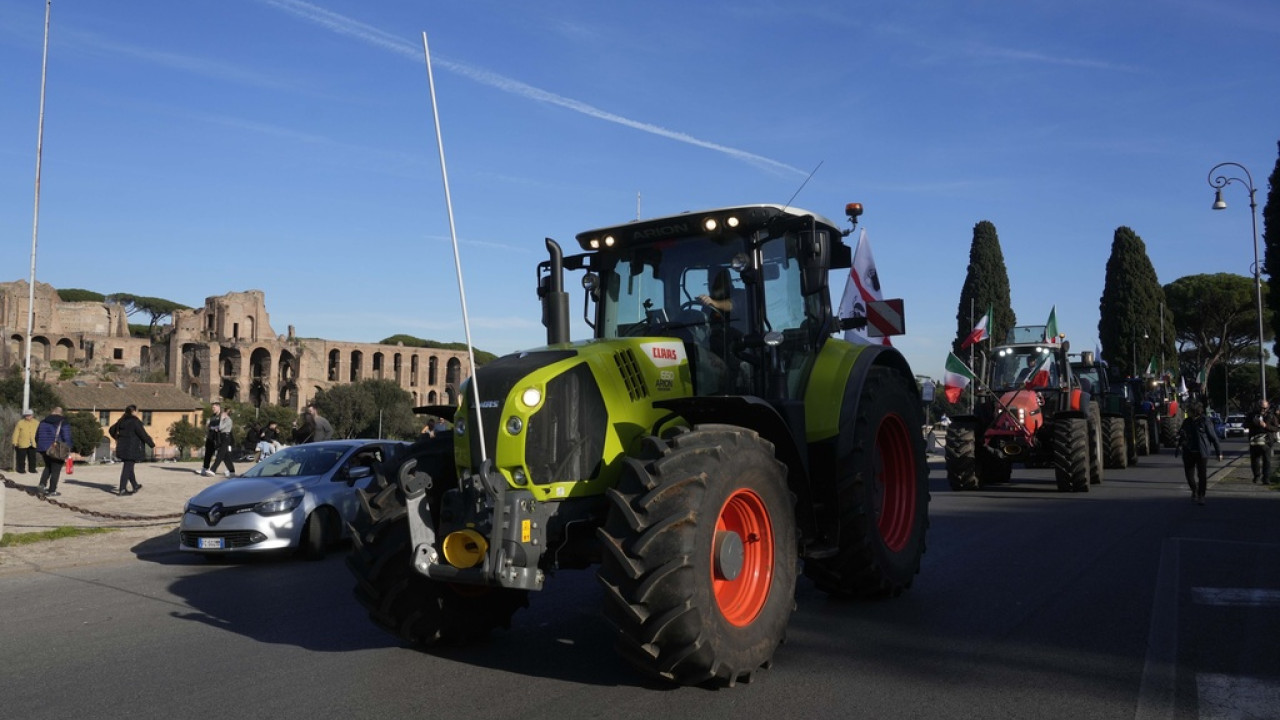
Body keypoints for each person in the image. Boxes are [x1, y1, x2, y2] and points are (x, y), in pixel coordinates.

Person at [1178, 400, 1223, 505]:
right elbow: (1181, 433)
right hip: (1188, 451)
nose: (1187, 411)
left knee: (1202, 474)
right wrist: (1181, 439)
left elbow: (1213, 437)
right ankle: (1194, 490)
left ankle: (1201, 495)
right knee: (1189, 475)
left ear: (1195, 411)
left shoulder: (1205, 421)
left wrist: (1218, 452)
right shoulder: (1187, 421)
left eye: (1189, 410)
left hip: (1201, 452)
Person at [109, 404, 154, 496]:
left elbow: (111, 430)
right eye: (137, 411)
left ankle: (135, 485)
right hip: (131, 448)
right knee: (127, 468)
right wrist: (151, 444)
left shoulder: (121, 421)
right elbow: (143, 434)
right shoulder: (135, 422)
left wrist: (117, 437)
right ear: (133, 411)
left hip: (122, 447)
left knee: (129, 467)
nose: (138, 413)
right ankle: (122, 489)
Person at [34, 406, 72, 497]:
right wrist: (69, 448)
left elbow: (37, 435)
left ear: (52, 412)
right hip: (57, 449)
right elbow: (66, 437)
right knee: (56, 470)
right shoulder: (63, 422)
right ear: (61, 413)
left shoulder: (42, 422)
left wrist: (41, 445)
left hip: (43, 448)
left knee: (47, 467)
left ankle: (42, 485)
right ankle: (52, 490)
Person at [1247, 399, 1272, 484]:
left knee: (1267, 460)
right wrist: (1254, 423)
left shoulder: (1271, 415)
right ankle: (1257, 476)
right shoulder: (1252, 415)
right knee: (1255, 460)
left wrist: (1265, 426)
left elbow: (1275, 428)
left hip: (1267, 441)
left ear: (1268, 407)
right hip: (1254, 440)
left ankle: (1266, 478)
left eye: (1265, 408)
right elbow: (1245, 425)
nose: (1263, 410)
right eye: (1261, 408)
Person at [207, 407, 236, 477]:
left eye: (223, 412)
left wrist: (221, 420)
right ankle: (232, 471)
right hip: (222, 437)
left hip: (226, 438)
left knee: (220, 454)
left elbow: (220, 427)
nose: (222, 414)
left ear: (226, 413)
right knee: (225, 456)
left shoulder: (229, 420)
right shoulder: (224, 420)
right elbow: (218, 427)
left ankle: (213, 470)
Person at [11, 408, 39, 474]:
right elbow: (16, 433)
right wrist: (14, 442)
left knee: (32, 458)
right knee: (21, 458)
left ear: (32, 415)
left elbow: (39, 432)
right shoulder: (20, 423)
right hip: (22, 443)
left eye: (29, 415)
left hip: (33, 443)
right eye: (26, 415)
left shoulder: (37, 423)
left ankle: (32, 469)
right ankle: (21, 470)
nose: (28, 416)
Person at [199, 402, 222, 477]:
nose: (212, 409)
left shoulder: (222, 416)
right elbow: (209, 426)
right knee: (208, 453)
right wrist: (208, 426)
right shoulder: (212, 417)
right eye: (212, 408)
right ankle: (205, 468)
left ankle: (231, 470)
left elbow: (222, 426)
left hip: (218, 438)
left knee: (223, 455)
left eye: (214, 408)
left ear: (218, 407)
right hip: (211, 437)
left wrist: (214, 427)